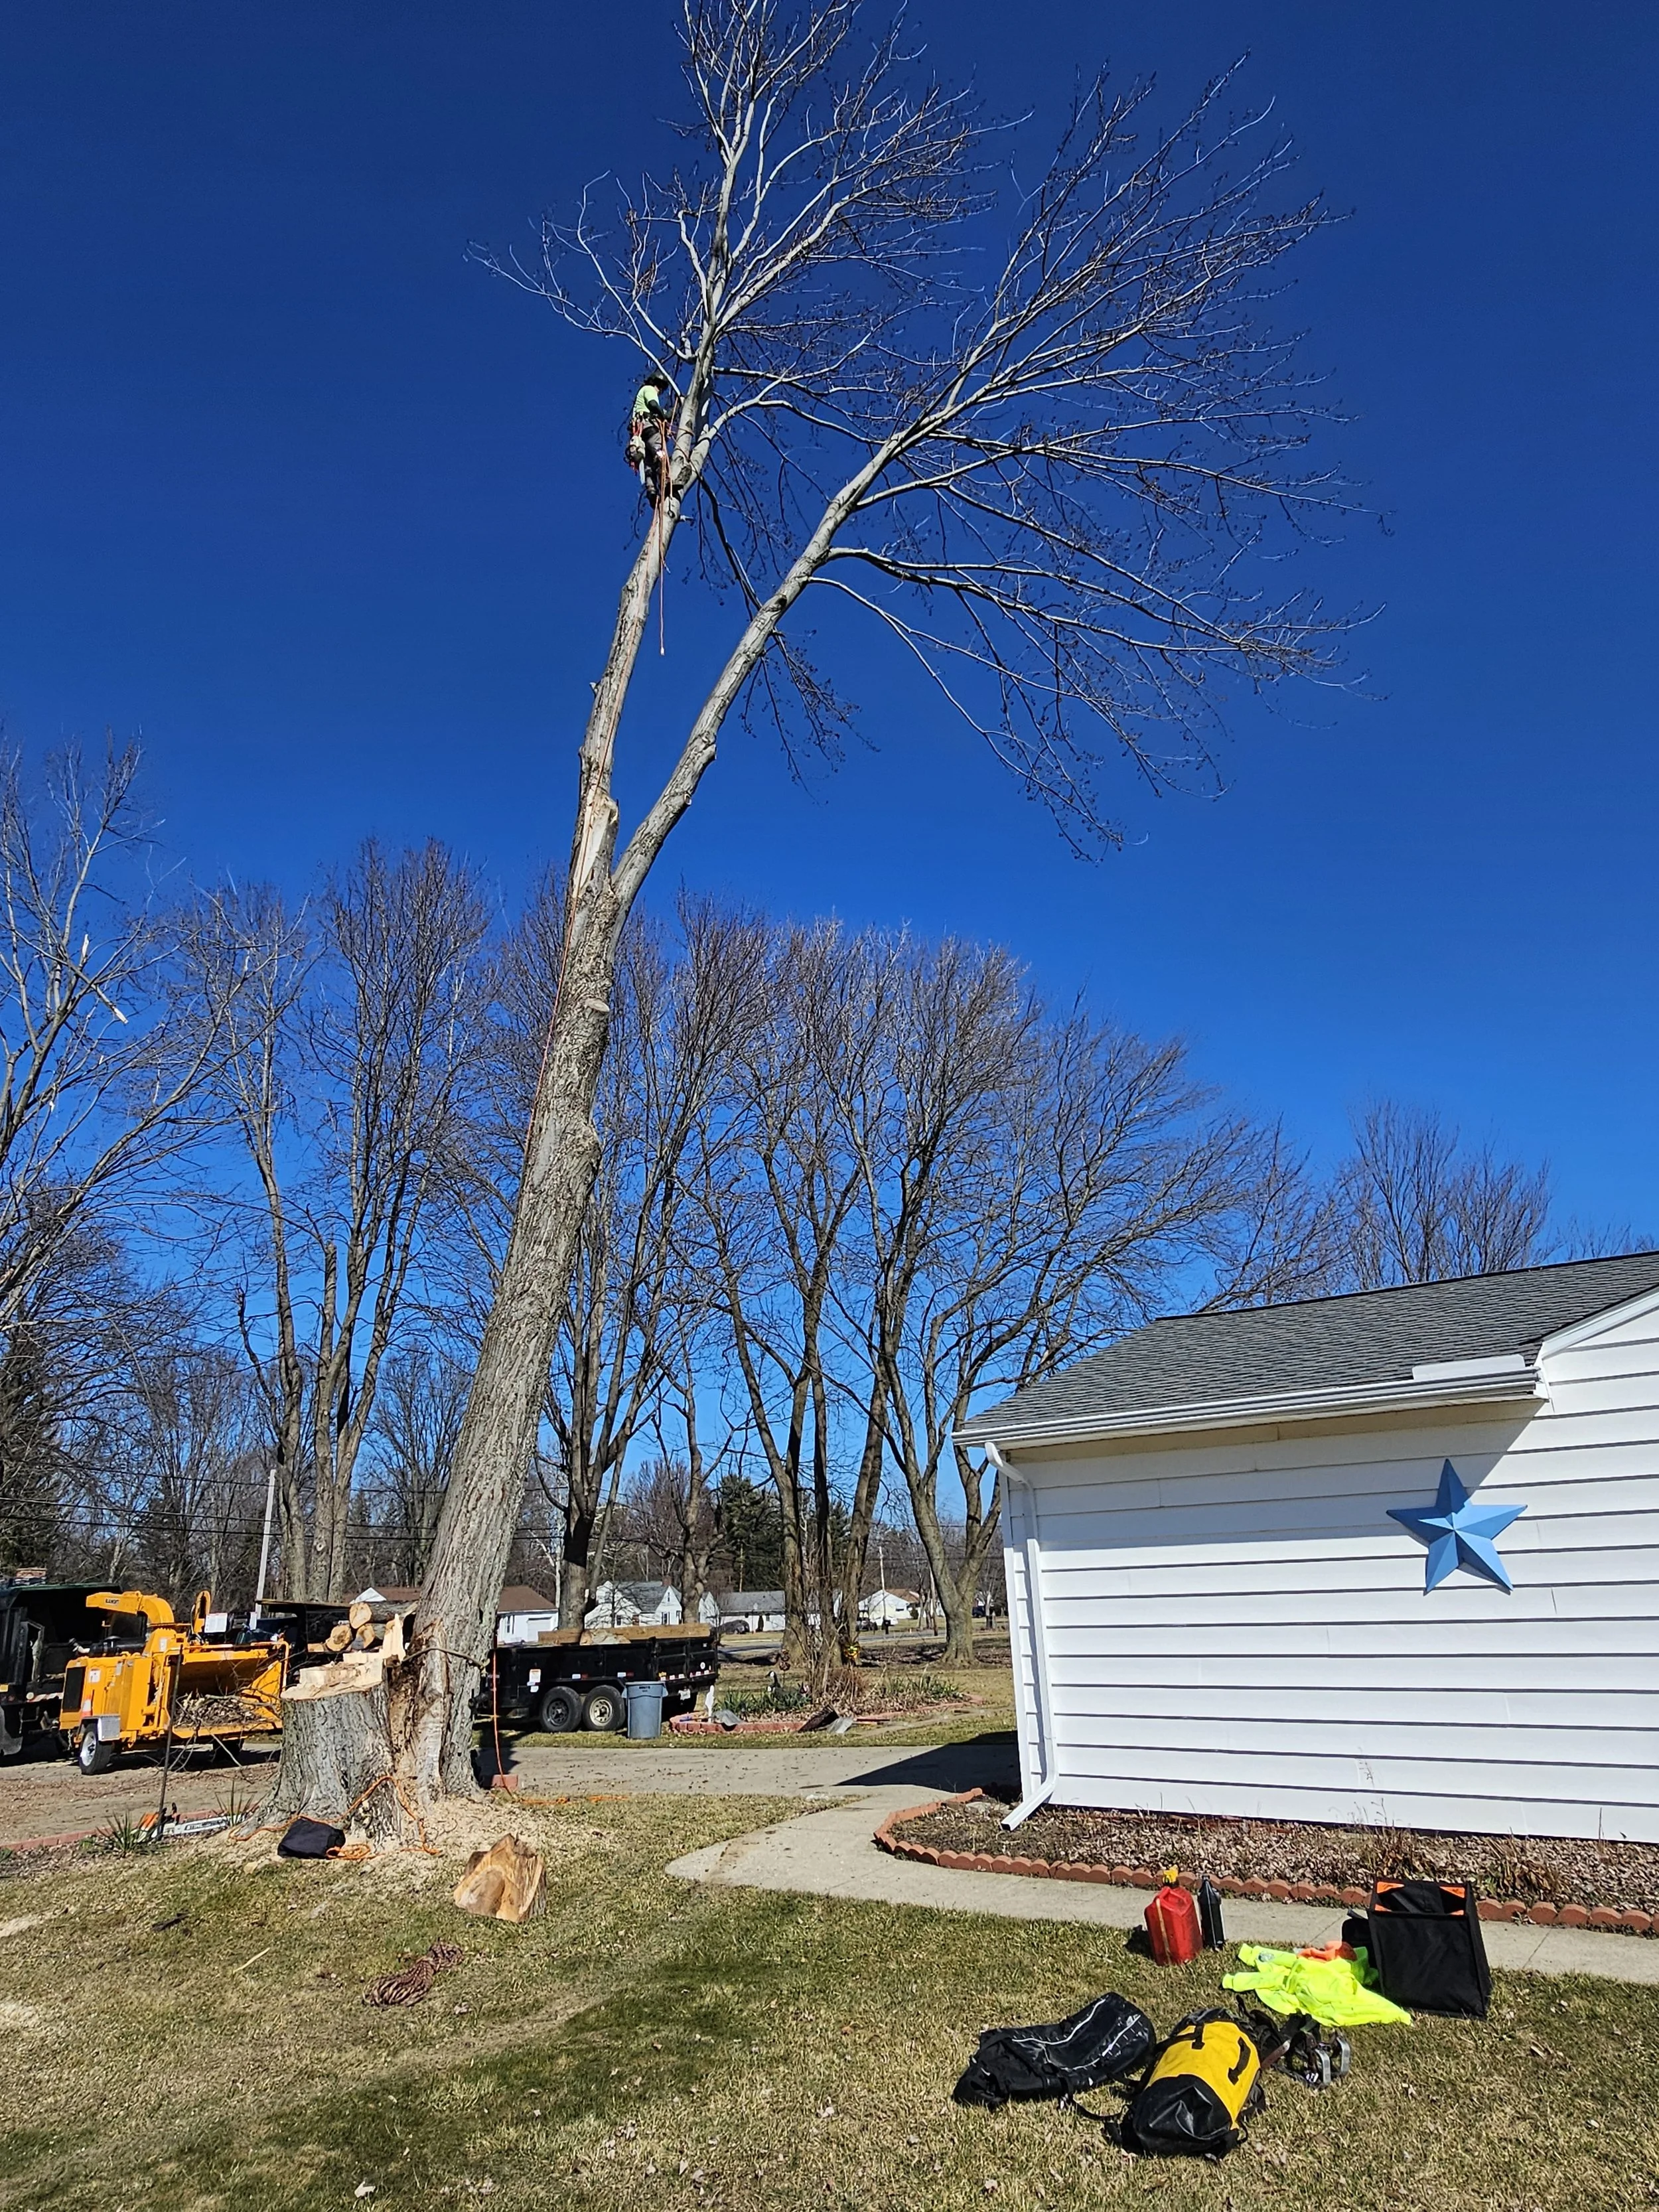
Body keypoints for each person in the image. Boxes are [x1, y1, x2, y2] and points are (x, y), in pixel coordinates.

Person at [628, 372, 676, 507]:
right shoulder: (649, 389)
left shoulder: (640, 399)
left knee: (649, 466)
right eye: (660, 388)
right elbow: (653, 404)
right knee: (661, 453)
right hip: (649, 428)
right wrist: (665, 415)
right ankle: (666, 482)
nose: (660, 392)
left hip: (641, 433)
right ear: (658, 384)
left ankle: (652, 492)